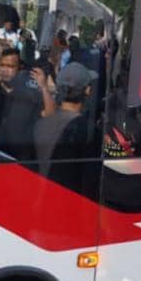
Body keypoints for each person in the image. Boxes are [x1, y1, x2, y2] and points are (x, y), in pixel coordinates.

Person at [0, 47, 53, 163]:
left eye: (10, 66)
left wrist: (44, 87)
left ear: (19, 68)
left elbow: (49, 115)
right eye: (3, 65)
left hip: (20, 161)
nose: (5, 70)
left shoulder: (29, 96)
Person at [34, 62, 100, 193]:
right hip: (72, 204)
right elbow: (91, 179)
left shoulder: (40, 123)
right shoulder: (88, 131)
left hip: (44, 198)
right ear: (87, 90)